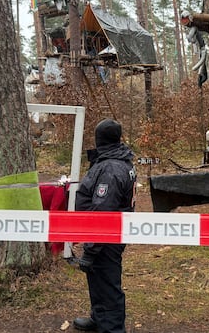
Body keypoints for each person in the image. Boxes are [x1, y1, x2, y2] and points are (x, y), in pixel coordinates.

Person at [73, 119, 136, 333]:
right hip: (106, 236)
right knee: (98, 278)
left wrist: (90, 250)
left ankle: (112, 328)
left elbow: (102, 215)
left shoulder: (111, 168)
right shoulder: (116, 159)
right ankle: (99, 318)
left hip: (106, 238)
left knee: (107, 283)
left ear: (100, 139)